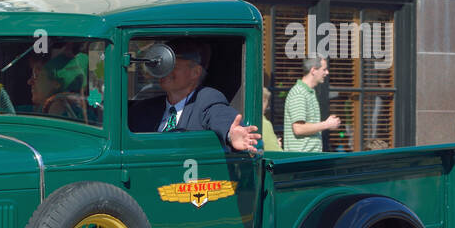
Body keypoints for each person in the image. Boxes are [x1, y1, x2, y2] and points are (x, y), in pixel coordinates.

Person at [126, 40, 261, 151]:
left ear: (195, 72)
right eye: (162, 66)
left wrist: (231, 134)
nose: (164, 72)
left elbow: (220, 116)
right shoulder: (145, 108)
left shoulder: (206, 99)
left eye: (172, 66)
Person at [283, 55, 340, 152]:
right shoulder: (299, 93)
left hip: (307, 157)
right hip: (301, 159)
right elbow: (299, 129)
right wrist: (326, 124)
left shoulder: (309, 92)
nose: (327, 72)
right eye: (324, 69)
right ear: (313, 70)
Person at [261, 86, 282, 151]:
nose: (267, 107)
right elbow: (274, 151)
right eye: (266, 103)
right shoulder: (264, 123)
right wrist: (277, 145)